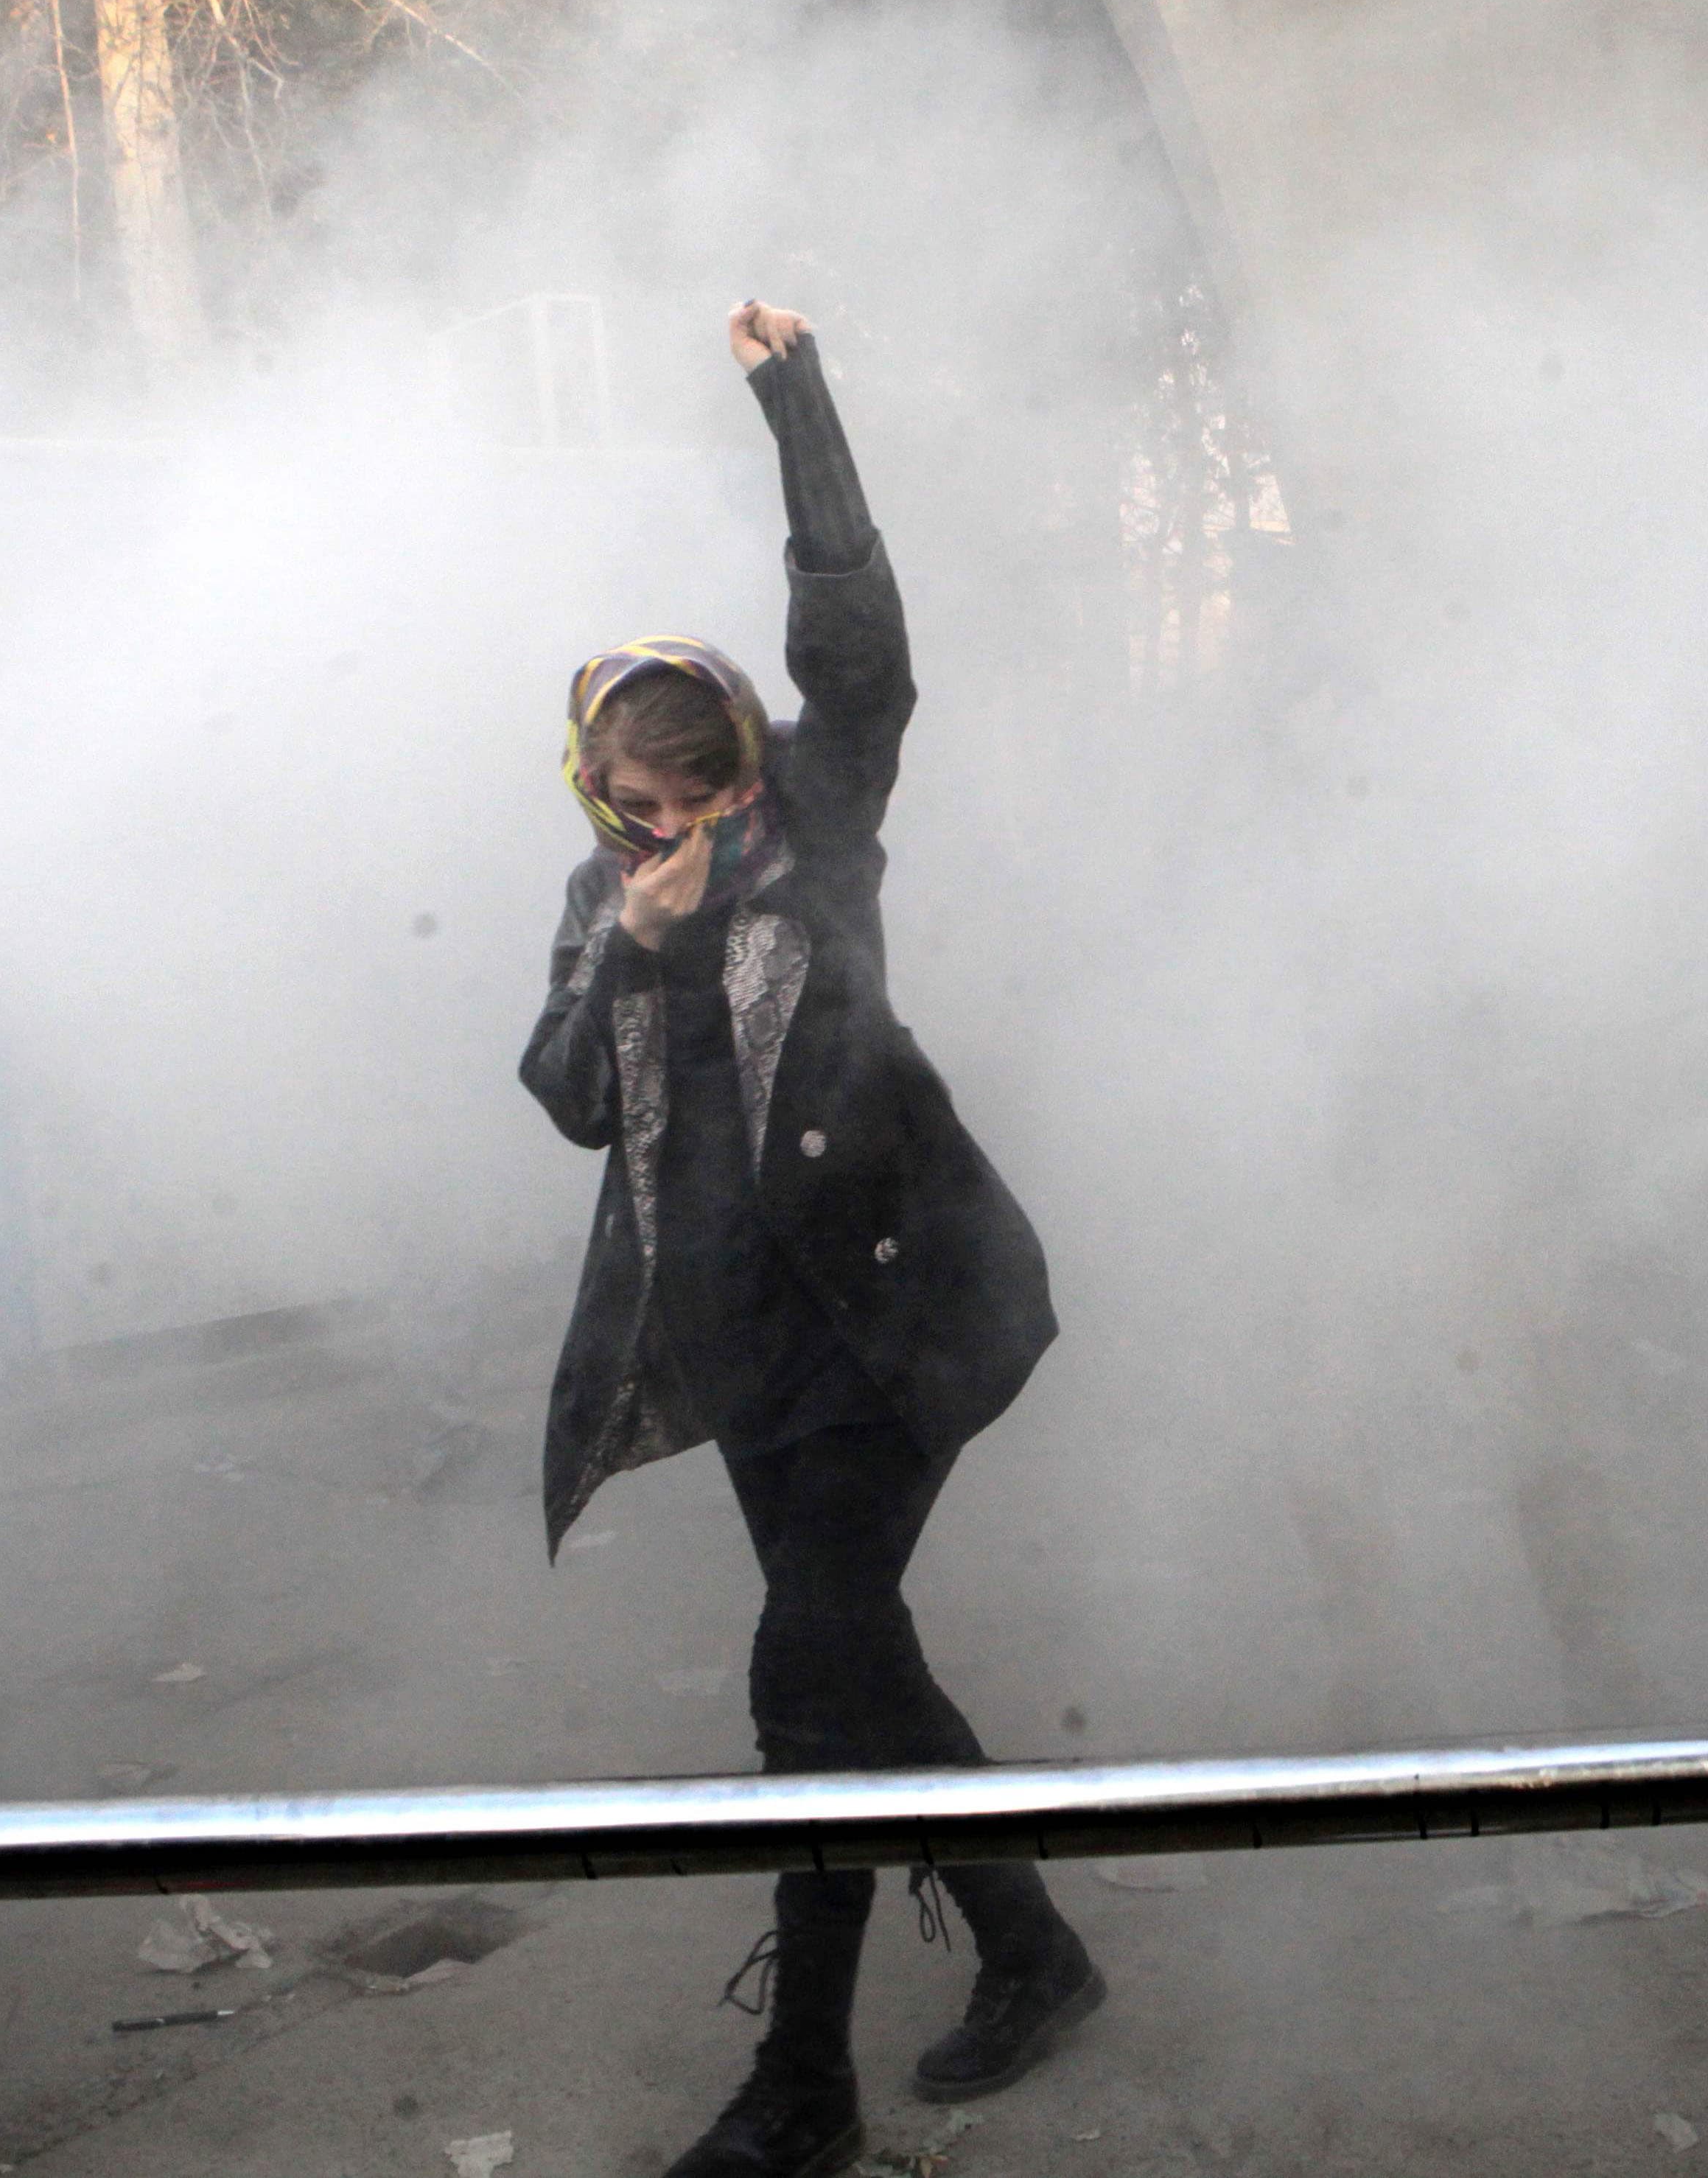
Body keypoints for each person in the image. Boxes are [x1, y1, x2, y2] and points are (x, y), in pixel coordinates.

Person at [519, 301, 1103, 2178]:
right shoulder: (596, 900)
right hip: (742, 1354)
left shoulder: (819, 829)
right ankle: (1034, 1951)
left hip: (894, 1335)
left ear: (748, 774)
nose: (670, 828)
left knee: (804, 1687)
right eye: (638, 801)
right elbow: (565, 1094)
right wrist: (633, 940)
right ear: (600, 784)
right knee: (867, 1670)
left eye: (700, 795)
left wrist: (798, 398)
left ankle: (804, 2085)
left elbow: (859, 654)